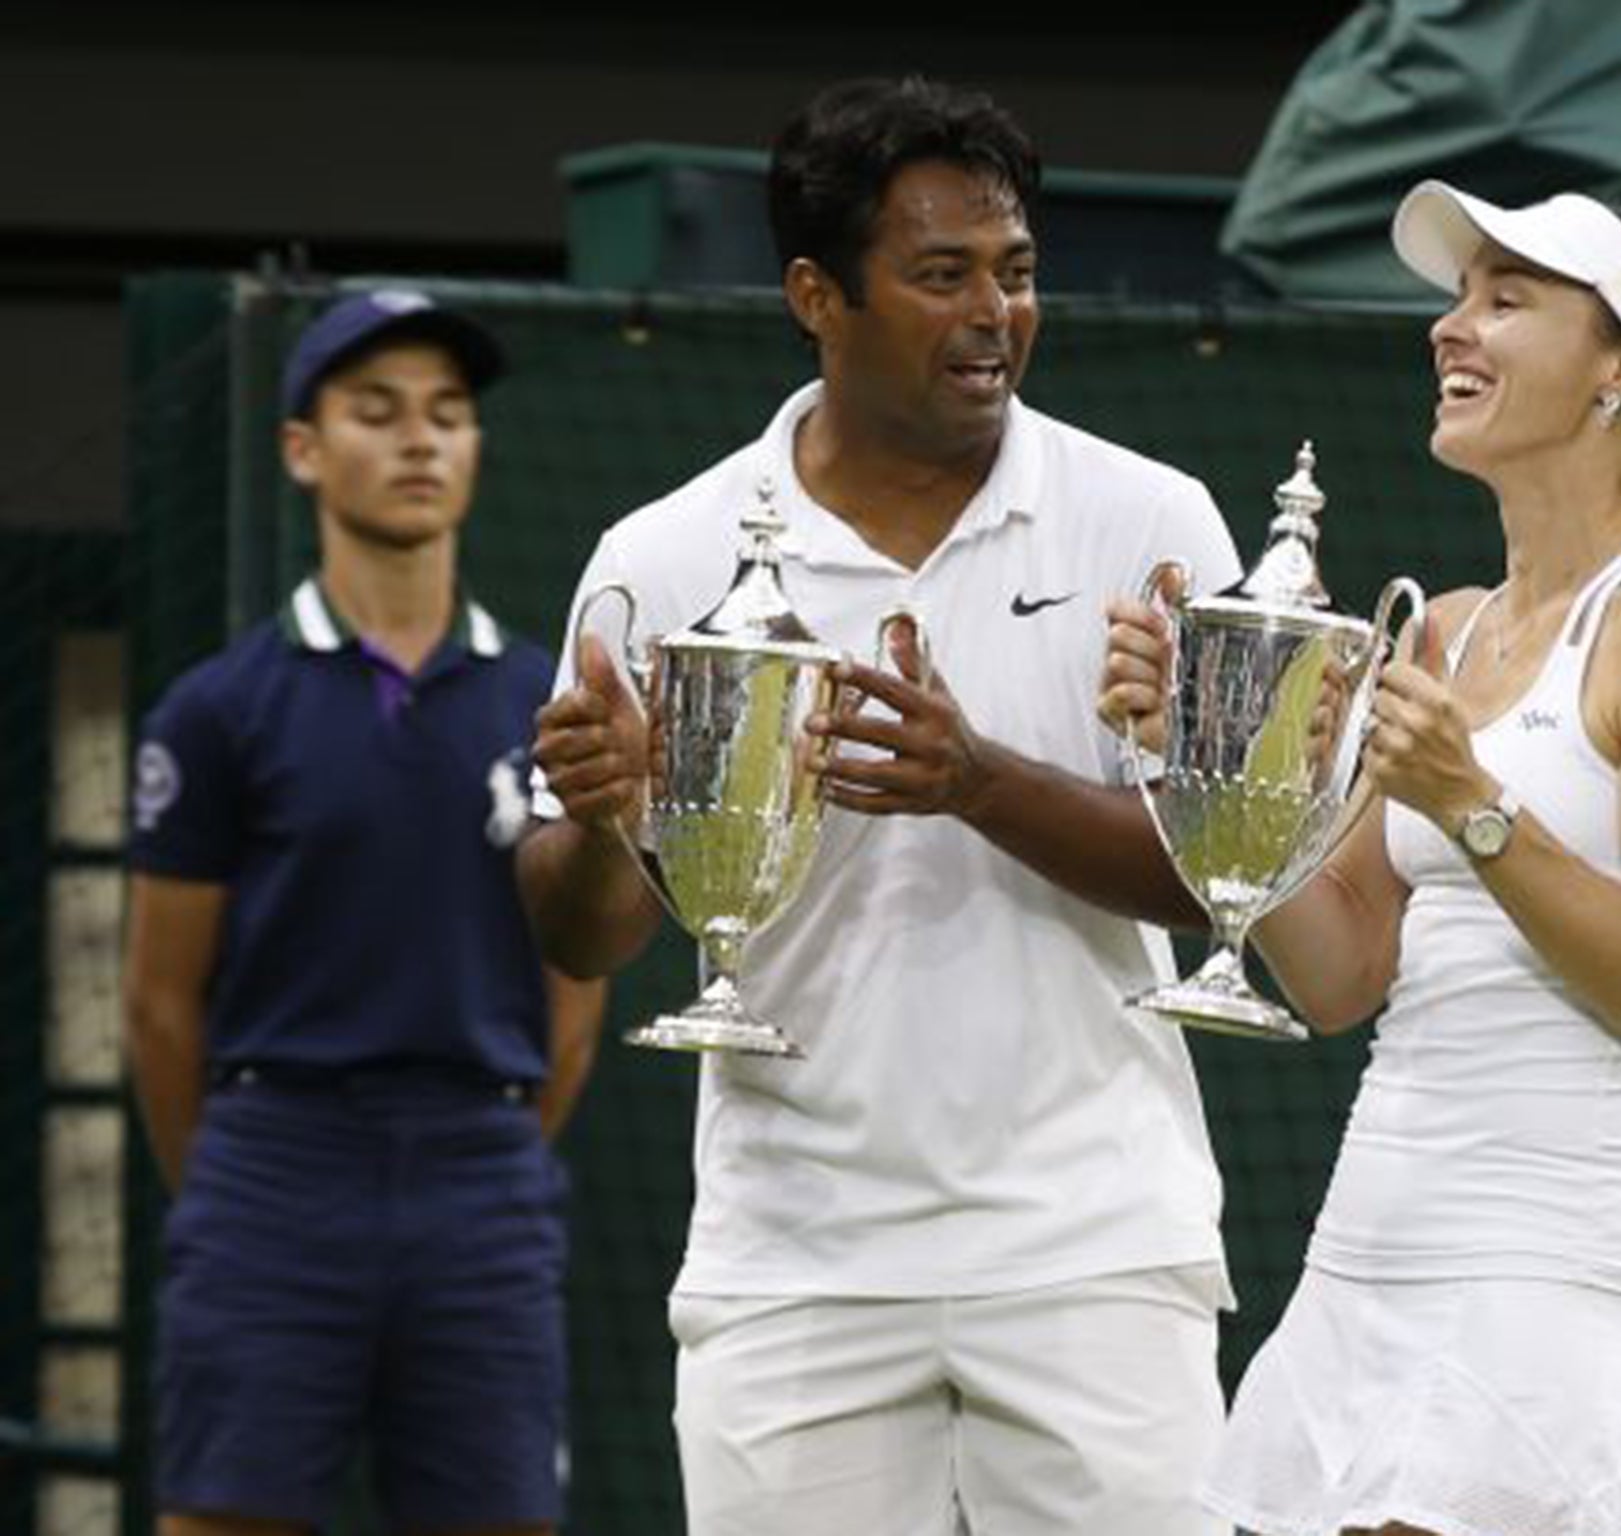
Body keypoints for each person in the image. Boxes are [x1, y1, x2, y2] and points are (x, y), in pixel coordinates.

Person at [518, 76, 1240, 1536]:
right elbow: (585, 939)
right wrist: (602, 819)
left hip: (1096, 1250)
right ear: (815, 295)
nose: (996, 312)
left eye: (1018, 272)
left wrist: (978, 784)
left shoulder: (1152, 522)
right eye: (942, 275)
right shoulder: (661, 552)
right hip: (795, 1263)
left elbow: (1227, 884)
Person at [1100, 180, 1621, 1536]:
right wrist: (1196, 765)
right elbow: (1336, 975)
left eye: (1506, 301)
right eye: (1456, 300)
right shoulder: (1442, 628)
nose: (1451, 330)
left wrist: (1471, 806)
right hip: (1370, 1245)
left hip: (1545, 1270)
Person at [123, 287, 609, 1536]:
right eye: (377, 412)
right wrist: (246, 1177)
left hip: (484, 1175)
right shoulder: (217, 710)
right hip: (273, 1166)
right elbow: (159, 1002)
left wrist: (482, 1147)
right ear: (301, 448)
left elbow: (575, 990)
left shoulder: (541, 703)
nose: (419, 441)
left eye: (448, 415)